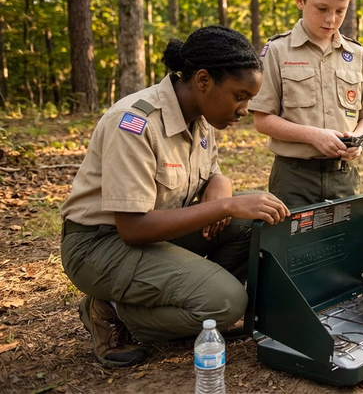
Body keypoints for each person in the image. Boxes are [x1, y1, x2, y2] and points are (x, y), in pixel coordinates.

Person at [60, 26, 290, 368]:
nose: (244, 110)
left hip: (156, 235)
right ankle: (112, 310)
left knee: (249, 224)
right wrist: (224, 205)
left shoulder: (201, 119)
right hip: (99, 245)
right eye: (239, 96)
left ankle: (195, 301)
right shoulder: (134, 123)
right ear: (202, 80)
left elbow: (210, 173)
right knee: (226, 304)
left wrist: (221, 184)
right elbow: (133, 229)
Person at [249, 0, 363, 209]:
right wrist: (313, 136)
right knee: (291, 245)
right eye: (322, 9)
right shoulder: (278, 51)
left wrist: (356, 140)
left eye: (340, 11)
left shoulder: (356, 55)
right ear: (300, 0)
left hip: (343, 175)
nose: (331, 19)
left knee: (343, 243)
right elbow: (262, 120)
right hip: (294, 176)